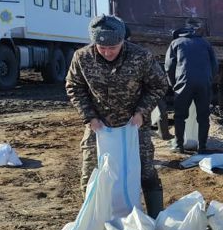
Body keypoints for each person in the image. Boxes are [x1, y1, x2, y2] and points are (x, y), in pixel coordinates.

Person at [65, 15, 169, 218]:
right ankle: (92, 220)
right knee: (91, 174)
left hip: (134, 125)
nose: (107, 52)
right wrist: (89, 117)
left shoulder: (140, 56)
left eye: (113, 47)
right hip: (98, 126)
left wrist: (142, 111)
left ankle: (156, 217)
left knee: (145, 171)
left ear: (123, 40)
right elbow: (74, 87)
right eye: (101, 47)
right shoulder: (82, 57)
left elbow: (159, 84)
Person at [165, 20, 218, 154]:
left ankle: (179, 145)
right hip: (204, 82)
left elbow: (169, 66)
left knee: (180, 116)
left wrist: (173, 84)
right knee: (203, 116)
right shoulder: (205, 43)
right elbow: (215, 65)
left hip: (184, 83)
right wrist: (208, 79)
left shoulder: (175, 43)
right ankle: (203, 146)